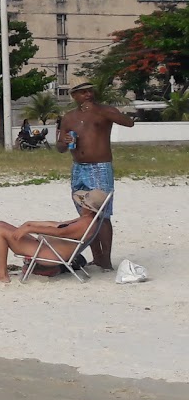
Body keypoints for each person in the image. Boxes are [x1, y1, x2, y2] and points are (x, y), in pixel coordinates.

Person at [57, 82, 133, 270]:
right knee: (86, 215)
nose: (88, 94)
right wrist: (65, 142)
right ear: (74, 96)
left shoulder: (104, 111)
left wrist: (102, 111)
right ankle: (96, 256)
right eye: (83, 92)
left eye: (90, 90)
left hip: (99, 167)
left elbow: (128, 122)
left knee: (102, 214)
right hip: (78, 168)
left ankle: (106, 259)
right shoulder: (69, 117)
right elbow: (59, 147)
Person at [0, 190, 108, 283]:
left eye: (83, 204)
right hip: (49, 247)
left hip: (50, 254)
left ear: (90, 208)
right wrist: (31, 224)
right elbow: (58, 225)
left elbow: (60, 233)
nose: (80, 205)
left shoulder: (85, 223)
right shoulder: (87, 220)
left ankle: (2, 274)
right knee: (1, 225)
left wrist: (31, 229)